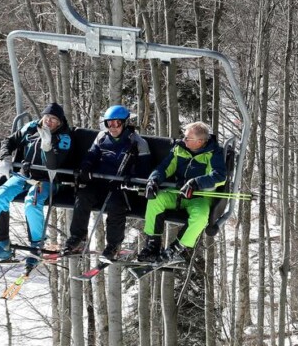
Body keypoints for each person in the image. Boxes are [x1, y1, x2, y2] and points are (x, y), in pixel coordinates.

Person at [0, 102, 73, 263]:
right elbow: (9, 141)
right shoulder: (31, 127)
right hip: (24, 175)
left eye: (53, 119)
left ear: (60, 122)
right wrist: (5, 158)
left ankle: (37, 245)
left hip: (48, 179)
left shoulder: (64, 138)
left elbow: (53, 165)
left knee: (32, 201)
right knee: (0, 195)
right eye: (46, 117)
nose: (48, 121)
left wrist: (47, 146)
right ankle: (2, 245)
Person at [61, 104, 151, 260]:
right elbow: (91, 156)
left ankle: (113, 245)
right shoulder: (102, 137)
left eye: (117, 123)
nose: (113, 127)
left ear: (125, 123)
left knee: (115, 205)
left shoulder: (138, 143)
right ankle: (78, 237)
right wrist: (86, 167)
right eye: (109, 123)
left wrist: (132, 179)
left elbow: (145, 169)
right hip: (100, 182)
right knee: (83, 196)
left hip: (121, 187)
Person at [136, 121, 227, 266]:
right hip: (177, 192)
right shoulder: (180, 148)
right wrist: (153, 180)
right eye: (184, 137)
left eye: (187, 138)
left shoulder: (213, 153)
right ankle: (152, 244)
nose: (183, 140)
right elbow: (165, 167)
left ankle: (176, 248)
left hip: (200, 196)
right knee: (156, 199)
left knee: (201, 216)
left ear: (200, 141)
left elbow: (219, 176)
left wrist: (196, 182)